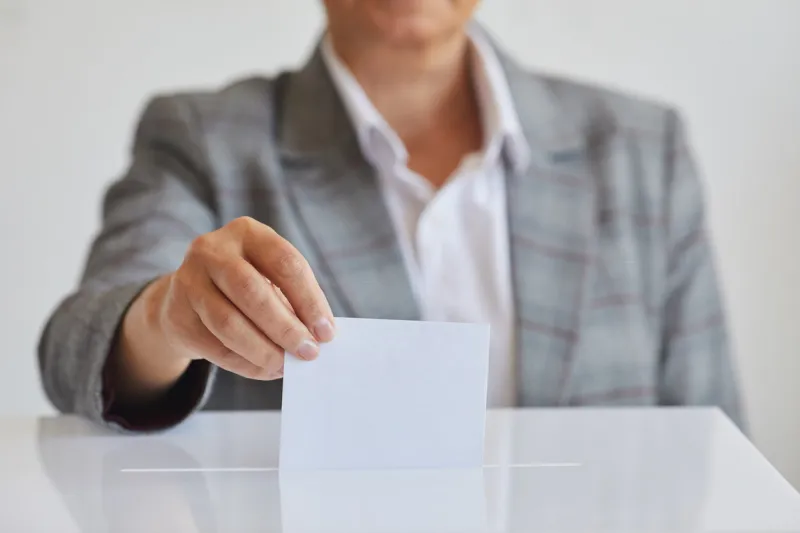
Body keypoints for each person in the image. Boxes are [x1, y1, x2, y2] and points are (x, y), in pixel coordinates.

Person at [38, 0, 745, 431]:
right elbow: (75, 351)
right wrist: (168, 316)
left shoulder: (643, 150)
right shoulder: (204, 139)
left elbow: (719, 447)